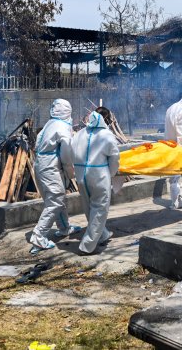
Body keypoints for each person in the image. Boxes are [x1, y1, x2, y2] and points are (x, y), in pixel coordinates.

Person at [62, 109, 120, 254]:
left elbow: (69, 153)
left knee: (89, 208)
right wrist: (111, 174)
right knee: (100, 210)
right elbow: (115, 158)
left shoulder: (79, 135)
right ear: (103, 122)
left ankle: (103, 234)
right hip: (99, 177)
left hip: (82, 177)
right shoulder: (107, 136)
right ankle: (86, 246)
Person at [28, 99, 82, 254]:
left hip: (41, 163)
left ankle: (64, 228)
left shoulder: (49, 124)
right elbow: (66, 152)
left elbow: (38, 144)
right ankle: (39, 237)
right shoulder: (63, 127)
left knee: (56, 198)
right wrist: (70, 171)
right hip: (50, 165)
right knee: (56, 200)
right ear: (68, 112)